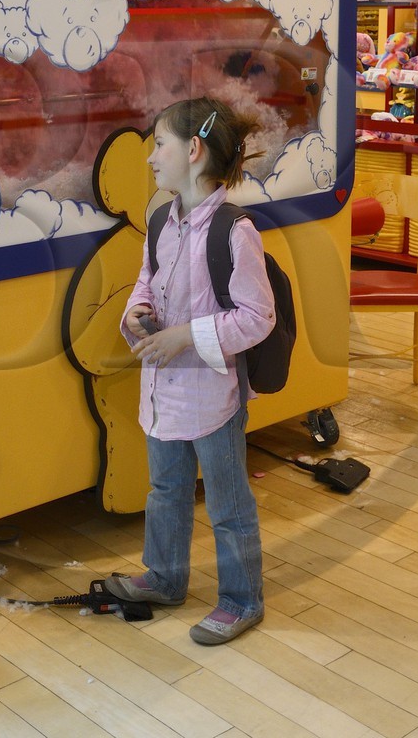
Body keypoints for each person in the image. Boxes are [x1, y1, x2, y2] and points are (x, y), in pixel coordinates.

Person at [102, 97, 274, 645]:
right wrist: (136, 313)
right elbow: (146, 281)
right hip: (163, 392)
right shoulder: (161, 220)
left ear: (193, 151)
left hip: (213, 396)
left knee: (227, 505)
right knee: (165, 490)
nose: (151, 157)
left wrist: (186, 336)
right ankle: (165, 576)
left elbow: (257, 316)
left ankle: (242, 599)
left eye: (159, 144)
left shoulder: (234, 231)